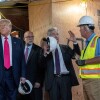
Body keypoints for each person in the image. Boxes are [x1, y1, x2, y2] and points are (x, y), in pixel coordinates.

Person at [40, 27, 80, 100]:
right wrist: (45, 54)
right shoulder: (45, 50)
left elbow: (77, 56)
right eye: (53, 34)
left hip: (65, 79)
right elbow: (41, 66)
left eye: (57, 34)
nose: (56, 36)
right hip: (53, 81)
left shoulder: (66, 48)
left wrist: (75, 42)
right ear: (49, 37)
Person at [75, 16, 100, 100]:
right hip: (87, 80)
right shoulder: (88, 43)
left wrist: (84, 62)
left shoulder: (97, 40)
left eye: (80, 28)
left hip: (94, 81)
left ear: (85, 29)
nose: (80, 31)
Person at [0, 19, 26, 100]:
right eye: (0, 26)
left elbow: (22, 60)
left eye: (4, 25)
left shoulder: (18, 42)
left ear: (10, 27)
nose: (2, 27)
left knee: (13, 97)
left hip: (13, 74)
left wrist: (23, 75)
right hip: (0, 73)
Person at [17, 31, 44, 100]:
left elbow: (41, 67)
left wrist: (39, 80)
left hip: (34, 83)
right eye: (28, 37)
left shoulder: (39, 50)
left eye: (32, 37)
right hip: (21, 82)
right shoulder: (19, 49)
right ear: (24, 38)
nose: (30, 38)